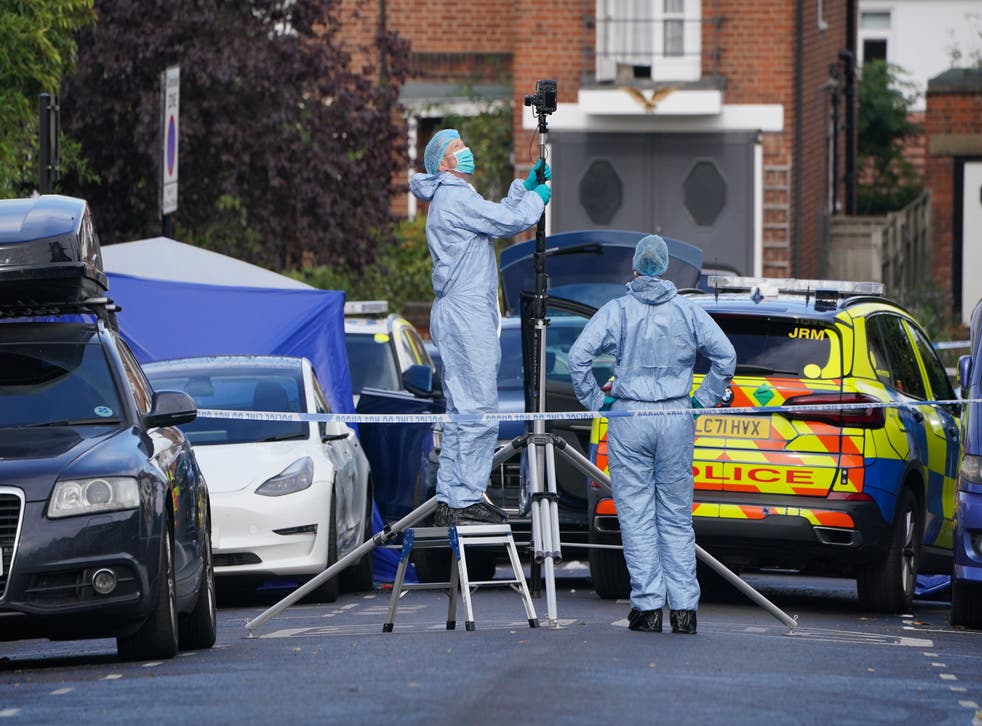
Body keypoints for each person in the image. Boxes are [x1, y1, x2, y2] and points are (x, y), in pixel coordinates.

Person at [568, 235, 736, 634]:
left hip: (630, 417)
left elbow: (578, 358)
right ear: (664, 268)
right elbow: (725, 356)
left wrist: (599, 403)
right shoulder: (687, 312)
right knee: (676, 518)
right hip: (677, 415)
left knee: (636, 515)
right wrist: (701, 401)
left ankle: (646, 608)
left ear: (635, 267)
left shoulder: (617, 311)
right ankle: (684, 610)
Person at [410, 128, 552, 526]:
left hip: (457, 311)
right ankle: (467, 497)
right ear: (443, 163)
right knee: (478, 408)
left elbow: (493, 218)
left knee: (461, 410)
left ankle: (451, 496)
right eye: (458, 147)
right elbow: (508, 222)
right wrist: (536, 199)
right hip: (466, 312)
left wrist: (524, 187)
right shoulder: (454, 198)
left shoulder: (454, 198)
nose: (465, 150)